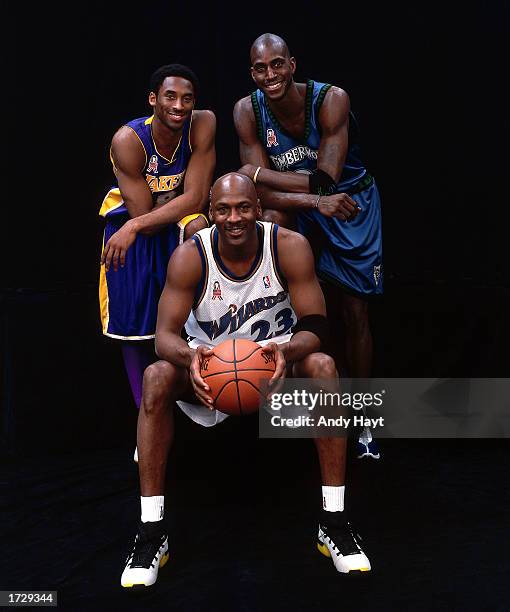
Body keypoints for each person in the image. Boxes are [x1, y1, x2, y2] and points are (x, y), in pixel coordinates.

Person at [120, 173, 371, 589]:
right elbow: (164, 336)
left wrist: (285, 353)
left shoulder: (288, 247)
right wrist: (192, 357)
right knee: (156, 376)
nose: (233, 218)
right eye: (222, 209)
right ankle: (151, 534)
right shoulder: (190, 256)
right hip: (209, 371)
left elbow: (316, 325)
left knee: (324, 367)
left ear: (257, 208)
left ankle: (335, 522)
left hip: (277, 366)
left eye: (242, 208)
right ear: (211, 213)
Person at [233, 34, 383, 458]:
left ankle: (365, 421)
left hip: (350, 204)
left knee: (355, 311)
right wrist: (307, 195)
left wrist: (260, 174)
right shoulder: (247, 110)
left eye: (277, 65)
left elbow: (328, 177)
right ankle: (301, 407)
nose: (270, 76)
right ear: (252, 73)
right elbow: (257, 193)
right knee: (271, 222)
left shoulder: (331, 99)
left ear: (292, 64)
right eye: (261, 69)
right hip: (309, 206)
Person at [98, 64, 216, 412]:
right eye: (170, 97)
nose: (179, 105)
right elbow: (141, 213)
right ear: (153, 100)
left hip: (169, 221)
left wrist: (150, 216)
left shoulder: (203, 123)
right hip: (128, 226)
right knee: (133, 322)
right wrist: (136, 225)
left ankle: (206, 387)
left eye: (187, 99)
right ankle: (144, 415)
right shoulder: (129, 140)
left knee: (199, 229)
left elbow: (195, 200)